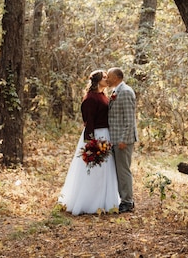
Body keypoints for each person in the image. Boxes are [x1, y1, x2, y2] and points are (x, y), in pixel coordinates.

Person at [58, 70, 120, 215]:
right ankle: (90, 202)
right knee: (95, 169)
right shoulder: (90, 99)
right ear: (98, 81)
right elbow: (89, 120)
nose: (107, 80)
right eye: (105, 78)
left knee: (105, 170)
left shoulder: (103, 96)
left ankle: (104, 201)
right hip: (97, 134)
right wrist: (91, 142)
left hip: (105, 134)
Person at [106, 67, 138, 213]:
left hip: (122, 139)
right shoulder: (115, 91)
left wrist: (124, 139)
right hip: (115, 138)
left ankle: (127, 201)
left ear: (117, 77)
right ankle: (124, 199)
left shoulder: (125, 92)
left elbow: (130, 120)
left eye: (109, 76)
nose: (106, 78)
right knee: (119, 170)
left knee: (123, 170)